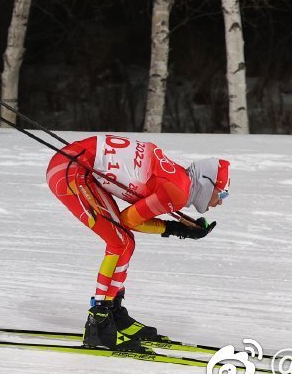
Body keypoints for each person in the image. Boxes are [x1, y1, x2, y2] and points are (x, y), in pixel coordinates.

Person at [46, 134, 230, 352]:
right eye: (222, 194)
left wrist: (179, 228)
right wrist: (176, 229)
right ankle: (99, 322)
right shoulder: (177, 191)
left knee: (123, 241)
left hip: (73, 163)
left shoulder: (179, 180)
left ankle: (112, 312)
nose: (220, 202)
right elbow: (129, 220)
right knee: (120, 242)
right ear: (205, 185)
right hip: (70, 170)